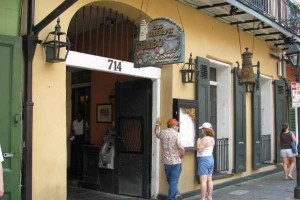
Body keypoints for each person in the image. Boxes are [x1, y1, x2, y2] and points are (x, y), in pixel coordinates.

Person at [154, 117, 185, 200]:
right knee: (173, 181)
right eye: (177, 125)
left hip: (166, 162)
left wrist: (158, 124)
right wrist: (181, 157)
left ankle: (177, 195)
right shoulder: (176, 134)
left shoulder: (163, 133)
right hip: (176, 162)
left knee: (170, 181)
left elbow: (157, 133)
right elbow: (181, 148)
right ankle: (172, 198)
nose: (178, 127)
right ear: (173, 126)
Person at [197, 122, 215, 200]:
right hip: (210, 158)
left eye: (202, 129)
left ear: (204, 130)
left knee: (203, 181)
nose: (201, 130)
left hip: (204, 159)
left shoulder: (204, 139)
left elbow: (200, 150)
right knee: (210, 180)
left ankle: (203, 198)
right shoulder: (212, 139)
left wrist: (198, 143)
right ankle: (210, 197)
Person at [70, 112, 89, 176]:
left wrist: (86, 140)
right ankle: (74, 170)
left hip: (82, 138)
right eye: (77, 115)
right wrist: (71, 138)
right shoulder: (74, 122)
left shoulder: (84, 122)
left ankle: (82, 171)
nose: (78, 117)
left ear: (81, 116)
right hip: (76, 138)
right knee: (75, 154)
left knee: (81, 155)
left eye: (79, 116)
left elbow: (87, 132)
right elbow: (73, 132)